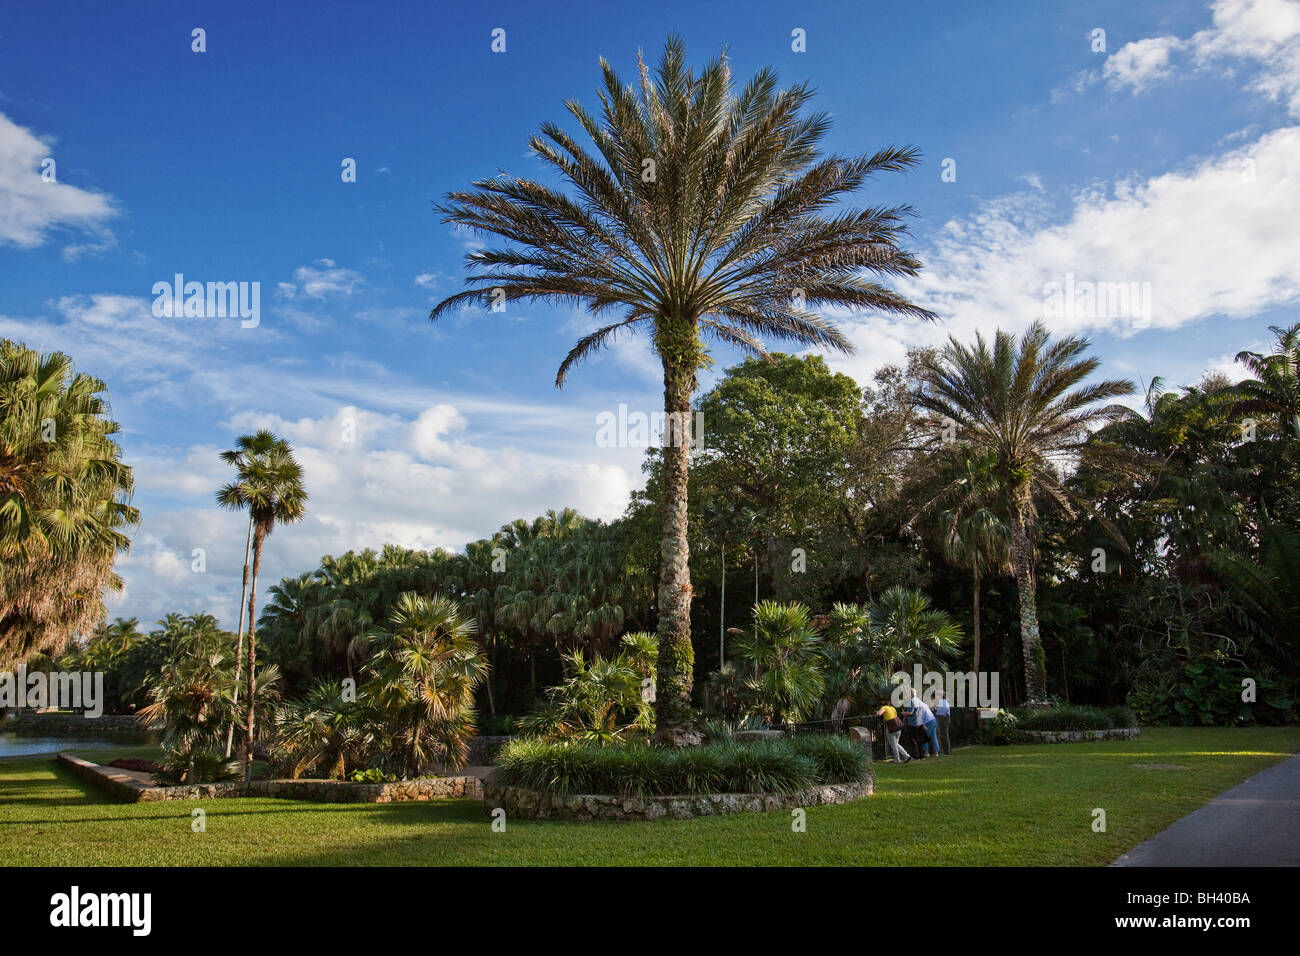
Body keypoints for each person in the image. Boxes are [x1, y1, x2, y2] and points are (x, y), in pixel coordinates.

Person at [909, 688, 941, 758]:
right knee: (933, 736)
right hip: (933, 720)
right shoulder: (925, 704)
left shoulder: (919, 705)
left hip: (927, 722)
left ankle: (926, 752)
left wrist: (921, 724)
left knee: (924, 737)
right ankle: (936, 752)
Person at [934, 691, 952, 755]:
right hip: (943, 718)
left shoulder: (942, 701)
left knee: (944, 735)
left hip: (943, 718)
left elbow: (945, 709)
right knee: (943, 735)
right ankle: (945, 751)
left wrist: (943, 714)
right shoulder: (942, 701)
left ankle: (946, 751)